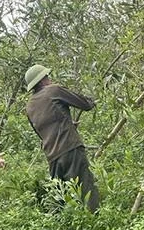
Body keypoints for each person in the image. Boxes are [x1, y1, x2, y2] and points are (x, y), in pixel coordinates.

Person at [24, 64, 100, 212]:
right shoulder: (53, 90)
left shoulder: (29, 107)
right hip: (71, 149)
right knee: (86, 189)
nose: (50, 79)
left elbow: (42, 132)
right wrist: (93, 101)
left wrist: (68, 124)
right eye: (47, 77)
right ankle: (96, 223)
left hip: (52, 158)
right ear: (41, 80)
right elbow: (84, 104)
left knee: (63, 198)